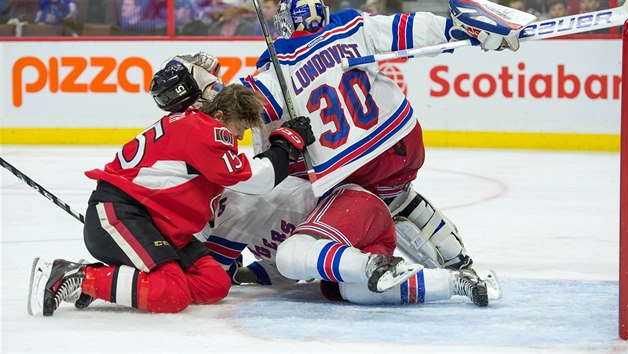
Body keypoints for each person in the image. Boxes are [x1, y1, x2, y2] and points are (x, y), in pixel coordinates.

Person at [233, 0, 531, 272]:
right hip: (404, 139)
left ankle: (305, 264)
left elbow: (244, 111)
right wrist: (458, 29)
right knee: (396, 194)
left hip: (354, 167)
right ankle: (455, 256)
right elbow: (408, 29)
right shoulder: (351, 25)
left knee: (309, 187)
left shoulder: (275, 71)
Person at [27, 62, 316, 317]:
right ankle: (78, 276)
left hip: (155, 223)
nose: (239, 136)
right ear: (218, 113)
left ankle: (125, 282)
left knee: (214, 284)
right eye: (239, 127)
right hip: (121, 213)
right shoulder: (203, 131)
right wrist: (285, 144)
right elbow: (256, 180)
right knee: (171, 293)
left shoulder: (191, 122)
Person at [197, 176, 501, 306]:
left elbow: (211, 272)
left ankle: (374, 265)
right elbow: (280, 270)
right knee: (351, 291)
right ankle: (458, 282)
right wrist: (250, 275)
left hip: (353, 205)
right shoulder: (243, 233)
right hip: (362, 238)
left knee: (293, 253)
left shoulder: (234, 200)